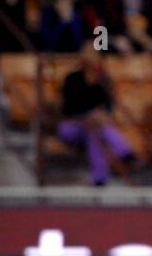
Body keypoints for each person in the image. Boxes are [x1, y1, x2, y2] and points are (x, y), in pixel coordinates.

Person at [57, 45, 136, 186]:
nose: (90, 57)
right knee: (94, 124)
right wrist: (88, 117)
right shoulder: (72, 79)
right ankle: (124, 153)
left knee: (95, 130)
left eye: (94, 53)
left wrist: (100, 116)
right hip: (71, 126)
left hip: (94, 126)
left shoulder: (104, 80)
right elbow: (68, 109)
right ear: (82, 57)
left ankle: (100, 179)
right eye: (87, 53)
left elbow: (109, 107)